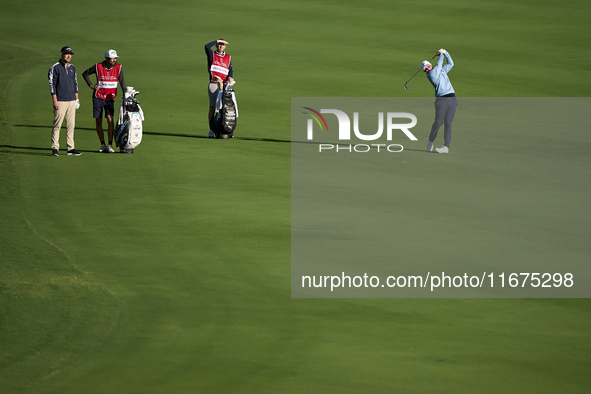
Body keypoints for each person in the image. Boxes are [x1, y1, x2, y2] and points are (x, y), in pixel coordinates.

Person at [82, 49, 127, 153]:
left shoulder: (119, 67)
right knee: (98, 121)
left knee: (110, 120)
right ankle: (103, 145)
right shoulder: (98, 66)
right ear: (106, 58)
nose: (114, 60)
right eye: (112, 59)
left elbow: (122, 82)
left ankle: (110, 145)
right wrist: (92, 86)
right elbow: (85, 74)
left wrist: (125, 94)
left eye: (115, 58)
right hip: (98, 97)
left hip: (110, 99)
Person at [422, 48, 457, 154]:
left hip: (452, 98)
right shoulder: (431, 75)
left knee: (448, 123)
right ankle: (430, 141)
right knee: (438, 123)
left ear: (430, 64)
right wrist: (441, 54)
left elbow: (451, 64)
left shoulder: (441, 70)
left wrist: (446, 53)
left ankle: (446, 147)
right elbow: (439, 65)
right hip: (441, 100)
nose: (427, 69)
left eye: (427, 66)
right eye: (425, 69)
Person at [48, 46, 81, 156]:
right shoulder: (55, 67)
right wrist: (55, 100)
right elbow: (52, 85)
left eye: (70, 54)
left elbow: (75, 84)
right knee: (57, 125)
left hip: (71, 101)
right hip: (60, 101)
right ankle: (55, 148)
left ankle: (70, 148)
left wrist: (77, 99)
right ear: (61, 54)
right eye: (66, 54)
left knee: (71, 125)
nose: (69, 56)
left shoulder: (72, 67)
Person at [205, 39, 234, 137]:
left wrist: (230, 76)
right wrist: (216, 40)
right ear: (216, 45)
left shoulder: (228, 57)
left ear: (225, 46)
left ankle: (225, 130)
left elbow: (230, 69)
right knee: (213, 107)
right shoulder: (212, 55)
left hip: (224, 85)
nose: (221, 46)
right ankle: (211, 130)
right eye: (219, 44)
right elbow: (206, 46)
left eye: (222, 45)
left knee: (225, 107)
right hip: (214, 84)